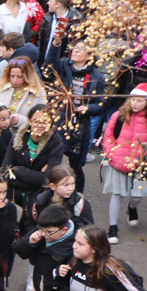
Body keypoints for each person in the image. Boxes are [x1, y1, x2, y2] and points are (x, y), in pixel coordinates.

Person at [101, 84, 147, 244]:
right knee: (116, 194)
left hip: (139, 164)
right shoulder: (119, 115)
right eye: (133, 99)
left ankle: (132, 207)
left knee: (137, 196)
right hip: (118, 161)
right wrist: (111, 154)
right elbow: (108, 136)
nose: (135, 103)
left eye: (139, 100)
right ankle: (112, 227)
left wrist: (144, 158)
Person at [45, 40, 104, 193]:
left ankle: (76, 197)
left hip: (79, 126)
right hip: (59, 120)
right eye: (75, 48)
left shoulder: (96, 77)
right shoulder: (64, 66)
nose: (76, 51)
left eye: (81, 49)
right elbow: (50, 63)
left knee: (76, 166)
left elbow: (101, 104)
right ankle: (52, 192)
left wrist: (88, 107)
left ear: (89, 55)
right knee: (52, 160)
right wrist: (56, 43)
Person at [2, 104, 65, 211]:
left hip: (38, 198)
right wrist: (36, 177)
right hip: (13, 194)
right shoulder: (18, 139)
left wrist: (19, 171)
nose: (40, 125)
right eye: (36, 121)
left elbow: (47, 180)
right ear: (30, 121)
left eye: (45, 122)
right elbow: (5, 172)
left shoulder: (56, 143)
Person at [0, 58, 45, 133]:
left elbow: (42, 121)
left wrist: (20, 120)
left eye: (19, 77)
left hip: (21, 137)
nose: (15, 80)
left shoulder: (38, 92)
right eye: (12, 76)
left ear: (28, 76)